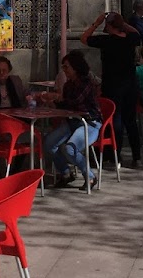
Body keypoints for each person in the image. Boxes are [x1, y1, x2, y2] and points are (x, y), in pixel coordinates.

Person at [81, 10, 143, 168]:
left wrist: (97, 22)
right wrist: (122, 22)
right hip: (130, 85)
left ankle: (115, 154)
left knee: (116, 121)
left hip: (112, 85)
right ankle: (137, 157)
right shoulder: (131, 39)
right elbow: (136, 32)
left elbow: (84, 38)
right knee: (130, 121)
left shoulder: (106, 41)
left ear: (108, 25)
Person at [42, 50, 102, 192]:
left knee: (70, 148)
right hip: (72, 122)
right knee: (48, 143)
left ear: (76, 67)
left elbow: (75, 101)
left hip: (89, 122)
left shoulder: (87, 83)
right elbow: (65, 106)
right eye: (63, 67)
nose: (64, 70)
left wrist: (56, 98)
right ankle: (65, 172)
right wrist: (51, 102)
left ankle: (90, 176)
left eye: (66, 67)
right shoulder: (68, 85)